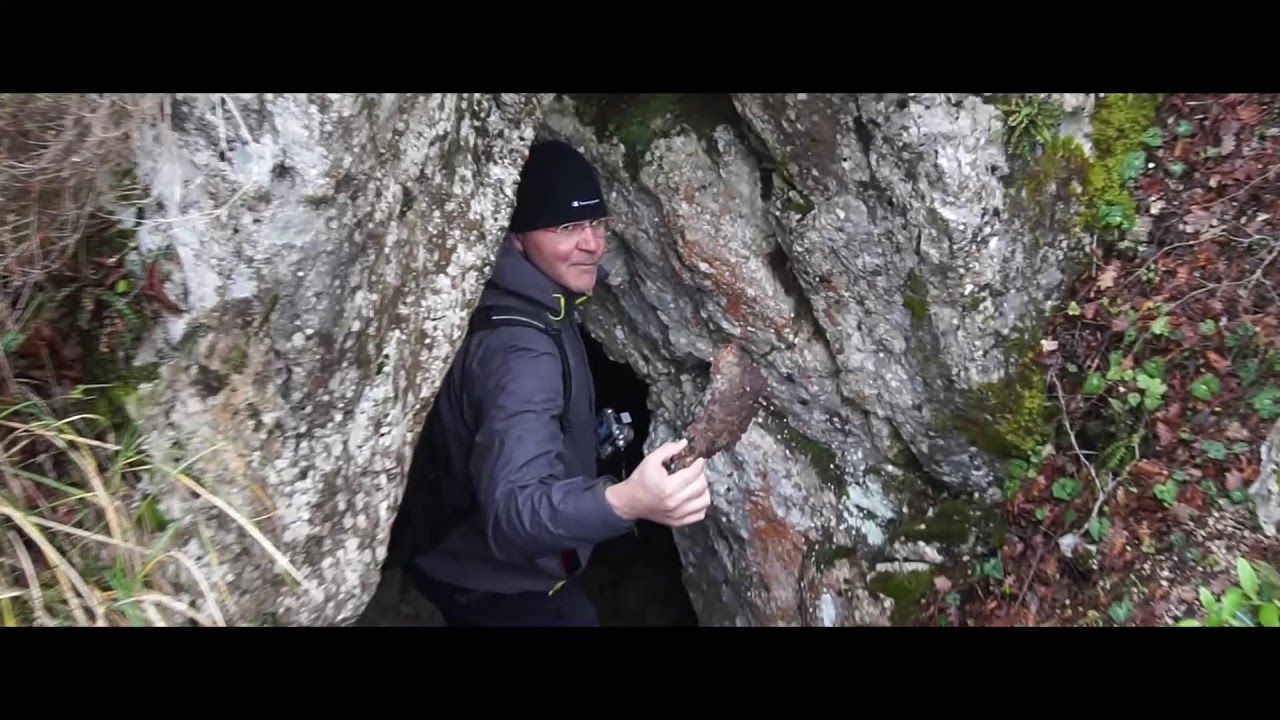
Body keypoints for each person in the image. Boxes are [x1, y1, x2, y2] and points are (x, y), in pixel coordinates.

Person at [392, 138, 711, 627]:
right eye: (566, 226)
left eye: (597, 222)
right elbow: (513, 510)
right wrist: (629, 500)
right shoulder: (522, 353)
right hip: (497, 584)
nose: (593, 243)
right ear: (518, 236)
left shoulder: (533, 299)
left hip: (468, 557)